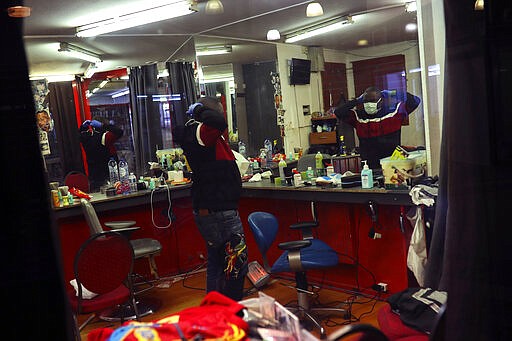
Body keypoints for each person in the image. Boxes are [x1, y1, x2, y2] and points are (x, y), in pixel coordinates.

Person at [173, 96, 248, 301]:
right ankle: (232, 314)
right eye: (220, 110)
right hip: (219, 212)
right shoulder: (200, 132)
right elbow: (218, 121)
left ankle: (214, 313)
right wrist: (200, 112)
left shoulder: (206, 135)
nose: (223, 114)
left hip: (214, 210)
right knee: (236, 264)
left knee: (217, 263)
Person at [334, 86, 421, 169]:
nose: (369, 104)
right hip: (369, 167)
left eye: (372, 101)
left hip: (392, 164)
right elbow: (338, 112)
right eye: (366, 101)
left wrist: (391, 93)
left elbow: (415, 101)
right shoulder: (358, 117)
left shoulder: (394, 113)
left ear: (381, 101)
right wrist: (356, 100)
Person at [79, 116, 123, 192]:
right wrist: (103, 126)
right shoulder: (105, 137)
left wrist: (83, 127)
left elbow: (79, 136)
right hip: (107, 177)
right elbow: (119, 131)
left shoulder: (86, 138)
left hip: (93, 177)